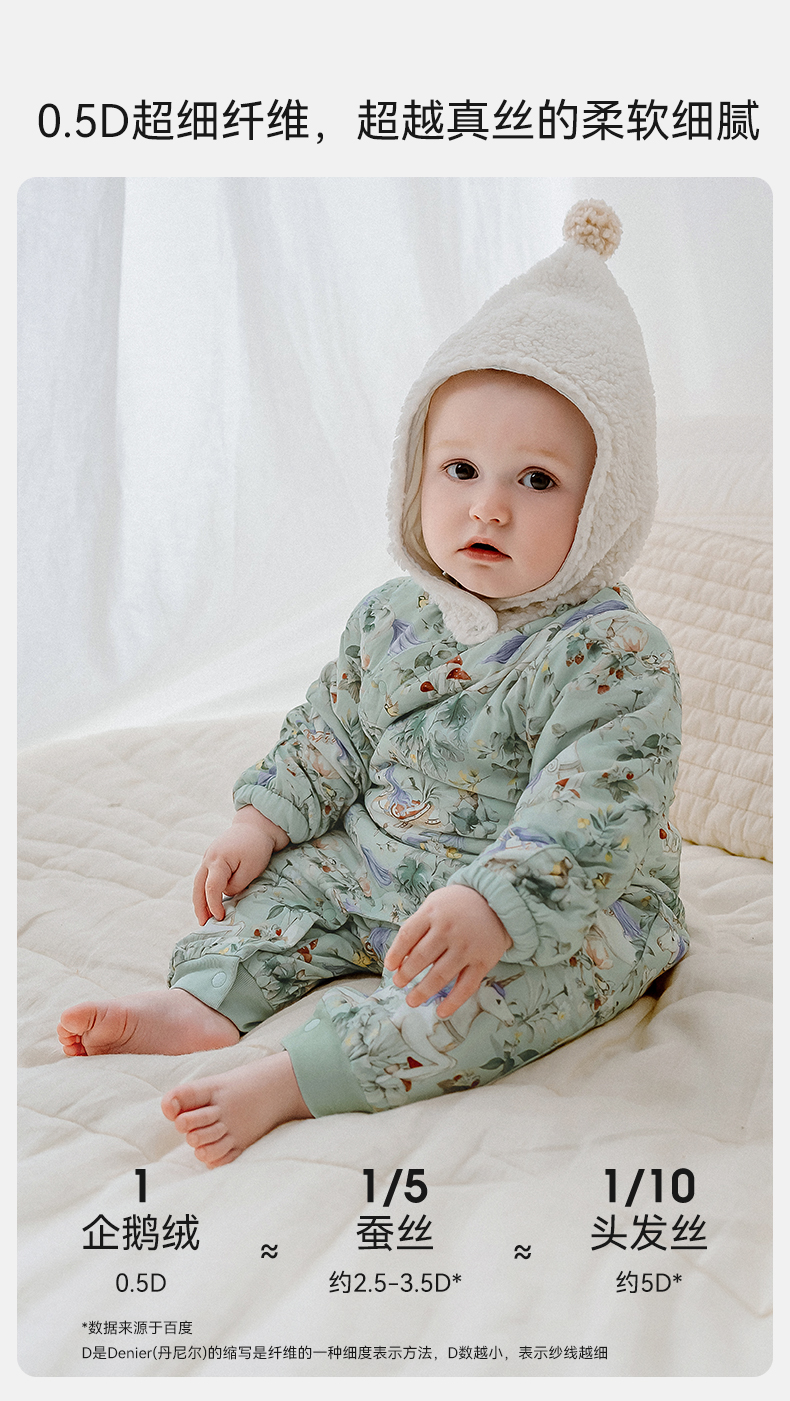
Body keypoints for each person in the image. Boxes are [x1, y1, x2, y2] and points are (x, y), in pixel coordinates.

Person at [57, 200, 687, 1168]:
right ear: (414, 476)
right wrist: (261, 821)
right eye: (461, 468)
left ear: (607, 504)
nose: (488, 507)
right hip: (380, 863)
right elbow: (333, 732)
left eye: (536, 481)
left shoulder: (615, 656)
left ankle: (302, 1075)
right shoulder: (395, 615)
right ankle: (202, 1002)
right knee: (281, 888)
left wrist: (494, 905)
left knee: (506, 995)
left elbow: (591, 814)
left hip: (552, 901)